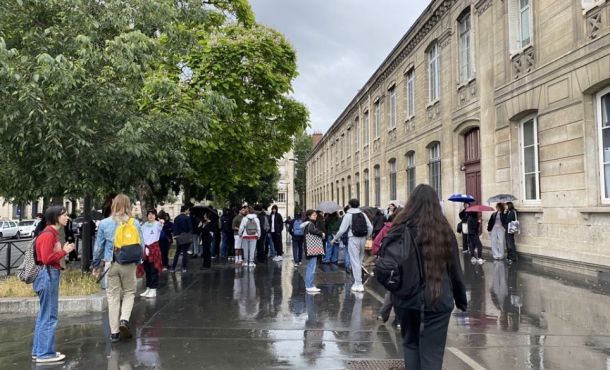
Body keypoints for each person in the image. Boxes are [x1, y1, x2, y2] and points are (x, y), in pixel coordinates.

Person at [390, 184, 467, 370]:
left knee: (410, 345)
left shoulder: (399, 228)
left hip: (406, 300)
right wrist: (461, 299)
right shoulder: (443, 230)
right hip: (437, 298)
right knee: (433, 351)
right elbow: (455, 270)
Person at [92, 194, 144, 343]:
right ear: (128, 206)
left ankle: (114, 333)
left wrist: (96, 266)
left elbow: (98, 248)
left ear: (113, 205)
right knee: (129, 292)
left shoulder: (104, 223)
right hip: (129, 264)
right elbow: (141, 244)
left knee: (113, 297)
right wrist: (139, 261)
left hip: (111, 264)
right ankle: (124, 320)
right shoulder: (135, 223)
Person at [31, 206, 75, 363]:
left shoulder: (50, 233)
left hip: (48, 274)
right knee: (49, 315)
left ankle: (39, 351)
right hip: (48, 275)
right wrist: (65, 251)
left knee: (44, 315)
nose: (67, 217)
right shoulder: (49, 235)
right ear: (55, 217)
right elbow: (47, 259)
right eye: (64, 215)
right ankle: (45, 353)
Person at [332, 198, 373, 293]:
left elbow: (342, 230)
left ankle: (358, 283)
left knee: (354, 261)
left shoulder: (348, 215)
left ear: (349, 205)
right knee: (359, 260)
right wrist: (367, 236)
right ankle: (358, 283)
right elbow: (370, 227)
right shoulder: (363, 214)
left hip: (353, 238)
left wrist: (335, 239)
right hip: (362, 238)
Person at [372, 210, 402, 328]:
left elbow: (376, 244)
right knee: (401, 290)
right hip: (404, 263)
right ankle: (398, 319)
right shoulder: (409, 228)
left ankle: (384, 314)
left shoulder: (387, 228)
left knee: (393, 289)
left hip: (389, 264)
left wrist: (381, 254)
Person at [140, 209, 163, 298]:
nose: (150, 216)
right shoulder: (144, 225)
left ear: (155, 215)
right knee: (147, 270)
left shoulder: (158, 224)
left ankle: (153, 289)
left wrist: (161, 222)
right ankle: (148, 288)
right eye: (149, 214)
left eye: (152, 214)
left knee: (154, 270)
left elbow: (161, 226)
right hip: (145, 250)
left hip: (154, 250)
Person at [302, 209, 325, 293]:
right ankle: (309, 285)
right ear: (309, 216)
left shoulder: (308, 224)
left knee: (310, 267)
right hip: (312, 248)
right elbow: (313, 231)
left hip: (310, 248)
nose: (315, 216)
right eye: (314, 215)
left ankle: (309, 285)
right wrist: (321, 233)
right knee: (311, 267)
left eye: (316, 215)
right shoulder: (310, 224)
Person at [172, 205, 193, 273]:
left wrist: (175, 236)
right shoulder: (187, 218)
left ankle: (173, 268)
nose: (188, 211)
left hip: (178, 237)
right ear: (186, 210)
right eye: (188, 210)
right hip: (185, 237)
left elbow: (174, 229)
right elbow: (190, 228)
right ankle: (184, 268)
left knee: (177, 252)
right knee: (184, 252)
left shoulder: (176, 218)